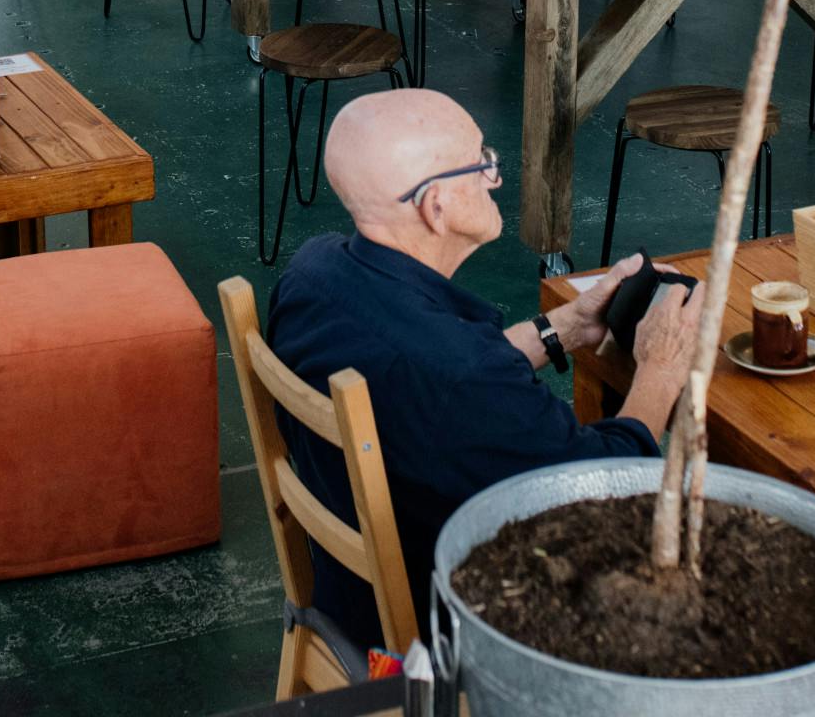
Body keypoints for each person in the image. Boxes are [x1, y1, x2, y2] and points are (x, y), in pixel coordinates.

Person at [264, 90, 703, 643]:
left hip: (344, 597)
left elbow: (428, 389)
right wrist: (661, 368)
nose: (495, 178)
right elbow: (604, 492)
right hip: (449, 629)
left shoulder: (311, 272)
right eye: (482, 165)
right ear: (436, 206)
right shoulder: (459, 377)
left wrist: (562, 329)